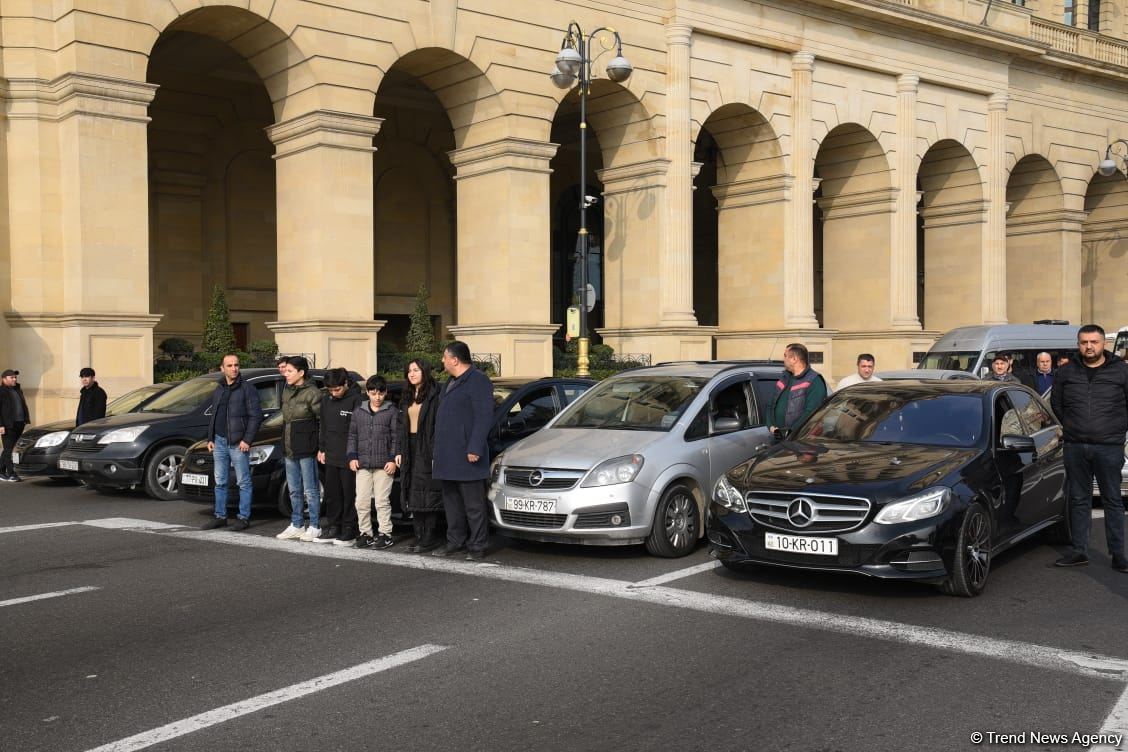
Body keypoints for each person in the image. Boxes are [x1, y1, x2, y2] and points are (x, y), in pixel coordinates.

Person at [1050, 324, 1128, 572]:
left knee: (1113, 501)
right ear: (1078, 344)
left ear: (1103, 343)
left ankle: (1118, 554)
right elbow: (1057, 405)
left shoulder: (1121, 371)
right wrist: (1073, 428)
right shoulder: (1065, 372)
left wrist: (1117, 432)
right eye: (1084, 342)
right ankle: (1079, 550)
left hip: (1109, 447)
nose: (1089, 346)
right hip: (1075, 446)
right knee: (1079, 499)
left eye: (1094, 342)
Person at [432, 341, 495, 560]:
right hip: (448, 455)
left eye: (444, 357)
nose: (442, 361)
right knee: (452, 504)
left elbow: (484, 416)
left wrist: (475, 446)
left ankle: (477, 546)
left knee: (474, 505)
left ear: (455, 359)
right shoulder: (449, 382)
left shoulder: (478, 381)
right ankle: (455, 541)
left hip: (468, 454)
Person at [201, 354, 263, 531]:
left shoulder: (247, 388)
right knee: (220, 481)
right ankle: (220, 516)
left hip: (238, 443)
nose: (234, 368)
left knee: (243, 482)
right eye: (229, 365)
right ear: (222, 368)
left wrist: (247, 440)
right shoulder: (219, 388)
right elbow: (215, 415)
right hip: (219, 442)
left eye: (236, 365)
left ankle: (243, 518)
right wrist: (210, 437)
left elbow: (255, 416)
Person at [397, 358, 445, 553]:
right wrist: (399, 450)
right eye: (409, 371)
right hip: (410, 445)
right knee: (412, 491)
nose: (412, 374)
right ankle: (419, 536)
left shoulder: (435, 393)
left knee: (428, 491)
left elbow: (439, 424)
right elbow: (401, 425)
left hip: (428, 445)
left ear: (424, 371)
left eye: (415, 370)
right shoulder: (407, 394)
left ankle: (429, 537)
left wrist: (435, 450)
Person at [347, 375, 400, 550]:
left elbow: (396, 437)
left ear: (385, 393)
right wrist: (352, 456)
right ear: (367, 392)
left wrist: (393, 459)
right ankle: (366, 533)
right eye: (373, 393)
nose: (377, 397)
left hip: (384, 465)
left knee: (381, 501)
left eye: (380, 393)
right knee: (361, 501)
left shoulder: (392, 411)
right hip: (362, 464)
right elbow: (352, 436)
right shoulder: (359, 411)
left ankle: (385, 534)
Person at [275, 356, 323, 542]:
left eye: (289, 371)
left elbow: (321, 422)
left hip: (307, 447)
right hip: (289, 447)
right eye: (285, 371)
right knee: (294, 489)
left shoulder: (313, 393)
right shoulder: (286, 390)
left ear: (301, 372)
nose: (285, 374)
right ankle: (296, 524)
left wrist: (319, 446)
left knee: (310, 489)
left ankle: (315, 525)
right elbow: (286, 419)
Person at [316, 367, 364, 546]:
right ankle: (334, 526)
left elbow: (360, 430)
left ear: (345, 383)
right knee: (332, 493)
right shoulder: (326, 400)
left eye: (337, 389)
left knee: (349, 494)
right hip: (331, 454)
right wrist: (321, 448)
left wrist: (356, 454)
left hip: (349, 456)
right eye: (331, 390)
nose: (334, 393)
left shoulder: (357, 400)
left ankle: (349, 528)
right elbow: (323, 426)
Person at [769, 343, 828, 434]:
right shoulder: (784, 377)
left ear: (794, 359)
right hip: (778, 437)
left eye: (785, 356)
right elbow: (770, 404)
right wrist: (771, 426)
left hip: (799, 440)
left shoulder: (814, 381)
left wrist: (790, 432)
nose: (783, 359)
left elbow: (812, 413)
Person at [0, 369, 30, 482]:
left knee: (10, 448)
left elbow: (23, 405)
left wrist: (25, 419)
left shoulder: (17, 389)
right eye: (11, 377)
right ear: (4, 379)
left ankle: (1, 471)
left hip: (19, 423)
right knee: (9, 450)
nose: (14, 379)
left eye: (15, 377)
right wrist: (1, 425)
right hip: (8, 425)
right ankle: (12, 474)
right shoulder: (1, 391)